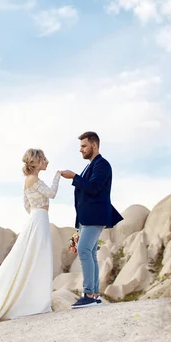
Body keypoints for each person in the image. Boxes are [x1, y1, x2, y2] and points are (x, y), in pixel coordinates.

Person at [0, 148, 61, 329]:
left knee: (33, 258)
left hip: (36, 218)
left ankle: (35, 300)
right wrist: (58, 176)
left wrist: (35, 212)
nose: (47, 162)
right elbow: (52, 193)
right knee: (37, 258)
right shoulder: (34, 180)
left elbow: (26, 204)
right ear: (37, 162)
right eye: (44, 159)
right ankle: (35, 302)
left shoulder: (28, 181)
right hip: (39, 219)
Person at [61, 131, 123, 309]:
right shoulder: (90, 166)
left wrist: (74, 177)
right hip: (87, 217)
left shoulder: (102, 165)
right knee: (91, 254)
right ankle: (94, 295)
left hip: (95, 216)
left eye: (83, 146)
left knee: (84, 251)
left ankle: (88, 294)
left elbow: (94, 188)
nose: (81, 150)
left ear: (94, 145)